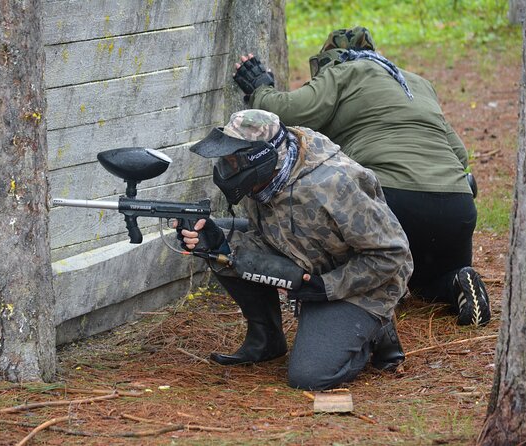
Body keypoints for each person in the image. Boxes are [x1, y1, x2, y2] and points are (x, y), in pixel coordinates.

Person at [231, 26, 491, 327]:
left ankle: (367, 317)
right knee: (425, 283)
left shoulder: (344, 72)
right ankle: (458, 280)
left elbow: (285, 112)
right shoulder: (416, 82)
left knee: (353, 253)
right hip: (456, 206)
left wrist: (260, 86)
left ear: (330, 59)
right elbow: (459, 154)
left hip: (394, 202)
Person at [178, 109, 413, 391]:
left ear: (260, 159)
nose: (226, 170)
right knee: (218, 244)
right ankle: (265, 340)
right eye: (224, 161)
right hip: (309, 266)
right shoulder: (263, 183)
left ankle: (375, 332)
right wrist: (217, 241)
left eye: (232, 161)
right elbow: (272, 237)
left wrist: (326, 286)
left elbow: (392, 255)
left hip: (364, 286)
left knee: (309, 377)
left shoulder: (336, 184)